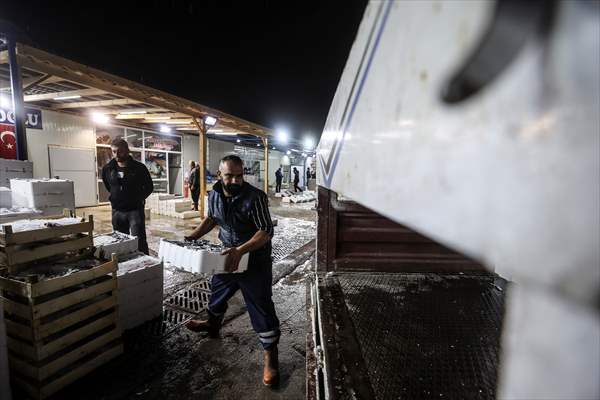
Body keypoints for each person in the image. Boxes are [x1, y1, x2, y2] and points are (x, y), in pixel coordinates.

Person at [184, 155, 280, 387]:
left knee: (260, 306)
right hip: (228, 256)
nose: (235, 180)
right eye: (229, 176)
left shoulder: (255, 197)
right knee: (217, 293)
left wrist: (242, 249)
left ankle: (271, 357)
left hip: (254, 261)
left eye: (239, 176)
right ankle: (212, 325)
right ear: (219, 175)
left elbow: (266, 230)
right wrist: (192, 236)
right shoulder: (214, 194)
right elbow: (211, 219)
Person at [102, 138, 153, 254]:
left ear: (127, 150)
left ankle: (145, 265)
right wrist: (117, 197)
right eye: (114, 151)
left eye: (120, 151)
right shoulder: (108, 169)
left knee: (139, 241)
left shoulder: (139, 168)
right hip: (117, 211)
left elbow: (149, 187)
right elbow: (108, 185)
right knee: (120, 242)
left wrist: (137, 199)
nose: (117, 154)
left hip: (134, 211)